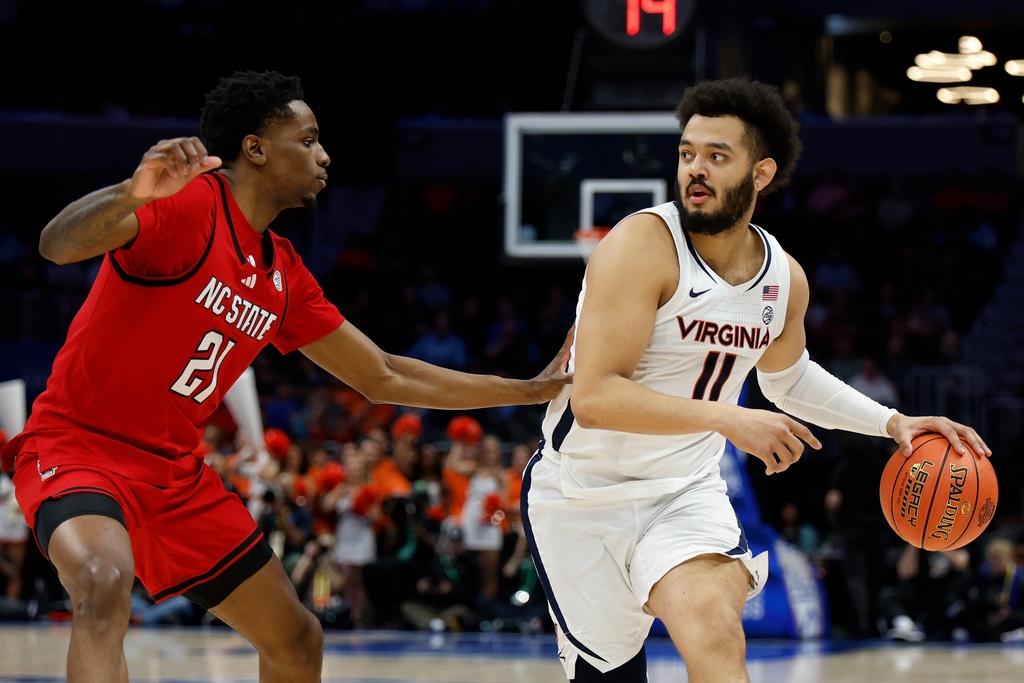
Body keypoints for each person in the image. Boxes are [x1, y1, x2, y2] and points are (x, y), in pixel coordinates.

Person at [0, 70, 572, 683]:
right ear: (255, 148)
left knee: (297, 640)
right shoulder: (189, 206)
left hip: (175, 477)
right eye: (308, 139)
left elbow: (383, 375)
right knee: (101, 582)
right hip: (79, 450)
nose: (323, 155)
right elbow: (57, 245)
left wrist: (528, 390)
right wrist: (130, 194)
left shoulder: (282, 273)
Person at [521, 76, 990, 683]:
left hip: (682, 492)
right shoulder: (640, 245)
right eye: (687, 153)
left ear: (761, 173)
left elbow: (788, 381)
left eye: (717, 156)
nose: (695, 169)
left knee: (717, 635)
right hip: (581, 495)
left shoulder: (783, 279)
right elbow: (593, 397)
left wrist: (892, 422)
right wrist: (727, 417)